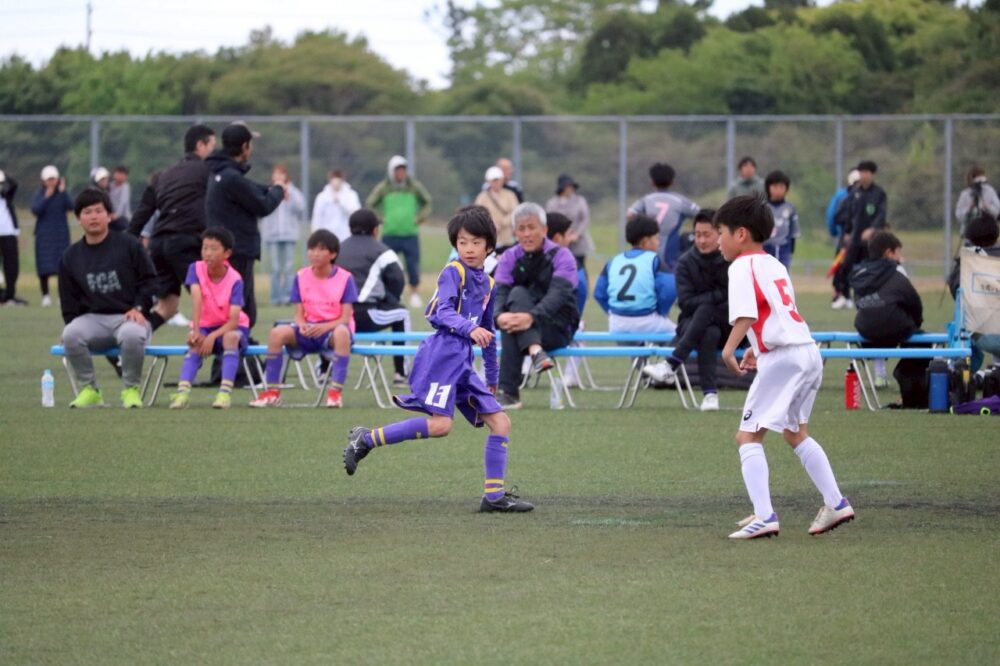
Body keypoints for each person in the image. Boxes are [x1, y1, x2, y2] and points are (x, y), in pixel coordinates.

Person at [342, 205, 534, 514]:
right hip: (441, 356)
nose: (468, 248)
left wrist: (492, 378)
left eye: (475, 242)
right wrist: (469, 328)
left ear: (489, 246)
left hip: (462, 363)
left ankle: (494, 497)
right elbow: (440, 312)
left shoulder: (489, 284)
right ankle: (366, 439)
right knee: (442, 425)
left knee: (501, 422)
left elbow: (488, 332)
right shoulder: (453, 272)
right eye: (462, 242)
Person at [718, 194, 854, 540]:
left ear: (741, 234)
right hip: (807, 352)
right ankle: (836, 502)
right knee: (795, 433)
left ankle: (765, 516)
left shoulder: (740, 266)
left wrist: (730, 349)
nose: (718, 241)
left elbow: (747, 314)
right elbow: (776, 314)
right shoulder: (775, 264)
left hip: (784, 359)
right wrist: (757, 349)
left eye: (721, 232)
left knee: (747, 436)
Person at [58, 189, 157, 409]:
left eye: (98, 211)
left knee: (132, 334)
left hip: (128, 316)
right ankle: (90, 390)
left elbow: (150, 281)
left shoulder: (129, 245)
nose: (93, 217)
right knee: (70, 334)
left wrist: (139, 307)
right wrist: (72, 324)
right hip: (93, 319)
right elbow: (68, 299)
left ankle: (131, 390)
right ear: (78, 218)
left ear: (109, 216)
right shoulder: (70, 256)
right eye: (87, 212)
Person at [250, 230, 357, 408]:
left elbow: (345, 318)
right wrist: (301, 325)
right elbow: (298, 314)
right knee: (277, 333)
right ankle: (272, 392)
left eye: (321, 249)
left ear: (332, 254)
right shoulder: (301, 276)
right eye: (312, 249)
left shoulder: (345, 278)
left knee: (342, 333)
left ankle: (335, 394)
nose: (315, 254)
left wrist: (324, 328)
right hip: (308, 329)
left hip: (332, 330)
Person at [128, 124, 217, 331]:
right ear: (200, 145)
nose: (214, 152)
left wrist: (126, 239)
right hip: (185, 242)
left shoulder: (165, 175)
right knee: (210, 298)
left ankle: (132, 338)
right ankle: (210, 347)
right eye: (212, 146)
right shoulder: (206, 171)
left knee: (167, 305)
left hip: (159, 244)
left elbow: (142, 212)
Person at [493, 202, 581, 409]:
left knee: (513, 323)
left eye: (531, 228)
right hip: (527, 327)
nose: (526, 234)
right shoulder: (509, 257)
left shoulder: (562, 256)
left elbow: (558, 295)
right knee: (515, 303)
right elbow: (500, 294)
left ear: (544, 229)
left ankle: (508, 393)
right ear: (515, 232)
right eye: (521, 229)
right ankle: (535, 351)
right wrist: (498, 316)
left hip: (558, 326)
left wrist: (531, 316)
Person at [642, 209, 730, 411]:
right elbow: (686, 303)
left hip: (728, 327)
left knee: (707, 311)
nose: (701, 240)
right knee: (709, 330)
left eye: (706, 235)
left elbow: (733, 299)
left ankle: (671, 364)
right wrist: (717, 296)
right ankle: (710, 396)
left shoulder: (730, 260)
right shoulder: (685, 262)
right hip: (691, 324)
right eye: (697, 235)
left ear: (719, 233)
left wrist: (711, 300)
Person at [205, 121, 284, 329]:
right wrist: (278, 190)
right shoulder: (231, 177)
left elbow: (250, 188)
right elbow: (263, 206)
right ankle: (235, 347)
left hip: (227, 249)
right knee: (244, 310)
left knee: (236, 307)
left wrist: (270, 188)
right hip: (238, 250)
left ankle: (234, 346)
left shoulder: (220, 173)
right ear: (244, 147)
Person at [168, 227, 250, 410]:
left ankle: (224, 394)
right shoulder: (195, 268)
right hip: (206, 325)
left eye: (213, 249)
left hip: (230, 327)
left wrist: (213, 336)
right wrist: (197, 331)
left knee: (230, 338)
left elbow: (234, 321)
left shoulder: (235, 279)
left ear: (227, 253)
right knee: (195, 342)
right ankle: (182, 394)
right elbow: (197, 300)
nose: (207, 253)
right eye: (205, 248)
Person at [850, 231, 929, 407]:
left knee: (889, 327)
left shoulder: (860, 273)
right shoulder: (897, 270)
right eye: (898, 252)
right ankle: (910, 387)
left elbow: (859, 304)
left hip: (865, 330)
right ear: (888, 253)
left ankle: (883, 373)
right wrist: (915, 323)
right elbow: (914, 302)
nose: (900, 257)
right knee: (922, 341)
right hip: (896, 328)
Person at [338, 208, 410, 384]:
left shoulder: (337, 249)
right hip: (366, 316)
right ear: (375, 230)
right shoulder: (384, 252)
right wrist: (389, 300)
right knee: (402, 314)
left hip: (338, 318)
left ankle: (323, 371)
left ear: (350, 228)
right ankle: (401, 372)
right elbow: (397, 281)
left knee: (326, 320)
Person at [366, 155, 432, 308]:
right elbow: (370, 203)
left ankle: (414, 294)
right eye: (398, 170)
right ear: (391, 171)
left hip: (410, 233)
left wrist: (420, 218)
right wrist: (380, 218)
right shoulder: (384, 188)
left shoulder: (414, 186)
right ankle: (388, 293)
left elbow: (427, 201)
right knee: (388, 266)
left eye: (403, 170)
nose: (401, 173)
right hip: (390, 233)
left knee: (413, 265)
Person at [947, 213, 1000, 371]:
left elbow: (956, 290)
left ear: (970, 238)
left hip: (981, 335)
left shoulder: (966, 265)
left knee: (963, 314)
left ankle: (962, 370)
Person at [832, 160, 887, 309]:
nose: (863, 175)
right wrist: (847, 232)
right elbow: (847, 215)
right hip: (854, 239)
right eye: (861, 172)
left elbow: (881, 215)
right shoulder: (854, 193)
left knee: (871, 269)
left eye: (866, 172)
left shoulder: (879, 194)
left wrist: (872, 229)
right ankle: (845, 297)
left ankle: (870, 297)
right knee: (846, 267)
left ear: (872, 174)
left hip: (872, 241)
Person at [626, 162, 700, 272]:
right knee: (671, 275)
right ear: (672, 182)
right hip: (671, 249)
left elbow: (630, 214)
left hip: (648, 244)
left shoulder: (646, 199)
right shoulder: (680, 200)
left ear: (652, 182)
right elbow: (701, 214)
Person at [261, 164, 306, 305]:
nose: (279, 177)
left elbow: (301, 207)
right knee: (275, 268)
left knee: (288, 268)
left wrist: (289, 194)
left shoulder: (293, 191)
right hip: (273, 235)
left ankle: (288, 296)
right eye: (276, 174)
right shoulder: (269, 191)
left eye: (281, 174)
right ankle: (275, 298)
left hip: (289, 235)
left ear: (286, 176)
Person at [31, 165, 72, 308]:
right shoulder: (39, 194)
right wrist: (46, 197)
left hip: (60, 234)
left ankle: (62, 296)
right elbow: (35, 210)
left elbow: (71, 206)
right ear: (43, 181)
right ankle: (45, 295)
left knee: (62, 267)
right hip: (44, 235)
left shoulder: (62, 193)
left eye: (53, 179)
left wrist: (63, 192)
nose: (51, 182)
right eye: (49, 179)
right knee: (44, 267)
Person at [545, 173, 594, 281]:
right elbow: (550, 220)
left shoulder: (580, 201)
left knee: (580, 267)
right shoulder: (552, 203)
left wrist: (576, 234)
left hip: (578, 241)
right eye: (567, 186)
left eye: (571, 186)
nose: (569, 189)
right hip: (559, 240)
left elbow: (585, 219)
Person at [546, 212, 588, 316]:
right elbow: (581, 291)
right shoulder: (573, 266)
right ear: (558, 238)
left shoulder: (527, 259)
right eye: (569, 234)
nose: (570, 239)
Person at [311, 169, 361, 242]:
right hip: (327, 235)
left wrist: (340, 203)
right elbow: (317, 216)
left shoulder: (351, 195)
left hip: (345, 235)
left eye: (338, 182)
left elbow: (355, 213)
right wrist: (315, 232)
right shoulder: (322, 196)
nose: (336, 184)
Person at [474, 166, 518, 249]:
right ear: (488, 181)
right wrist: (491, 224)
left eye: (498, 180)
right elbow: (477, 214)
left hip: (507, 239)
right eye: (494, 180)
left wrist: (502, 223)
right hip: (488, 239)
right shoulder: (482, 197)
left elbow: (515, 212)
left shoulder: (510, 195)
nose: (496, 183)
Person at [0, 169, 26, 306]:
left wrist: (4, 175)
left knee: (12, 266)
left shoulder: (6, 197)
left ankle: (9, 295)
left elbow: (14, 184)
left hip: (9, 235)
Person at [763, 170, 799, 269]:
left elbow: (793, 230)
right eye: (775, 187)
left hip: (784, 248)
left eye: (781, 187)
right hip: (765, 247)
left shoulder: (790, 208)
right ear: (768, 188)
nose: (778, 190)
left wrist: (791, 249)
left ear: (786, 188)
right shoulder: (763, 207)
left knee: (782, 272)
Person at [954, 166, 1000, 238]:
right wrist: (969, 208)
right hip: (970, 232)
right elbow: (959, 215)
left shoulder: (990, 191)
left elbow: (997, 210)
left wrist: (987, 206)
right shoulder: (965, 194)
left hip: (988, 232)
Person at [825, 169, 860, 241]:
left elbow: (831, 214)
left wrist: (834, 231)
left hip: (844, 236)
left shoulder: (841, 195)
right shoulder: (842, 196)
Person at [109, 166, 132, 231]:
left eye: (123, 174)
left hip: (122, 216)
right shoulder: (110, 186)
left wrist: (116, 215)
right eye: (118, 173)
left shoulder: (125, 187)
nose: (120, 176)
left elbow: (123, 203)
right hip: (110, 215)